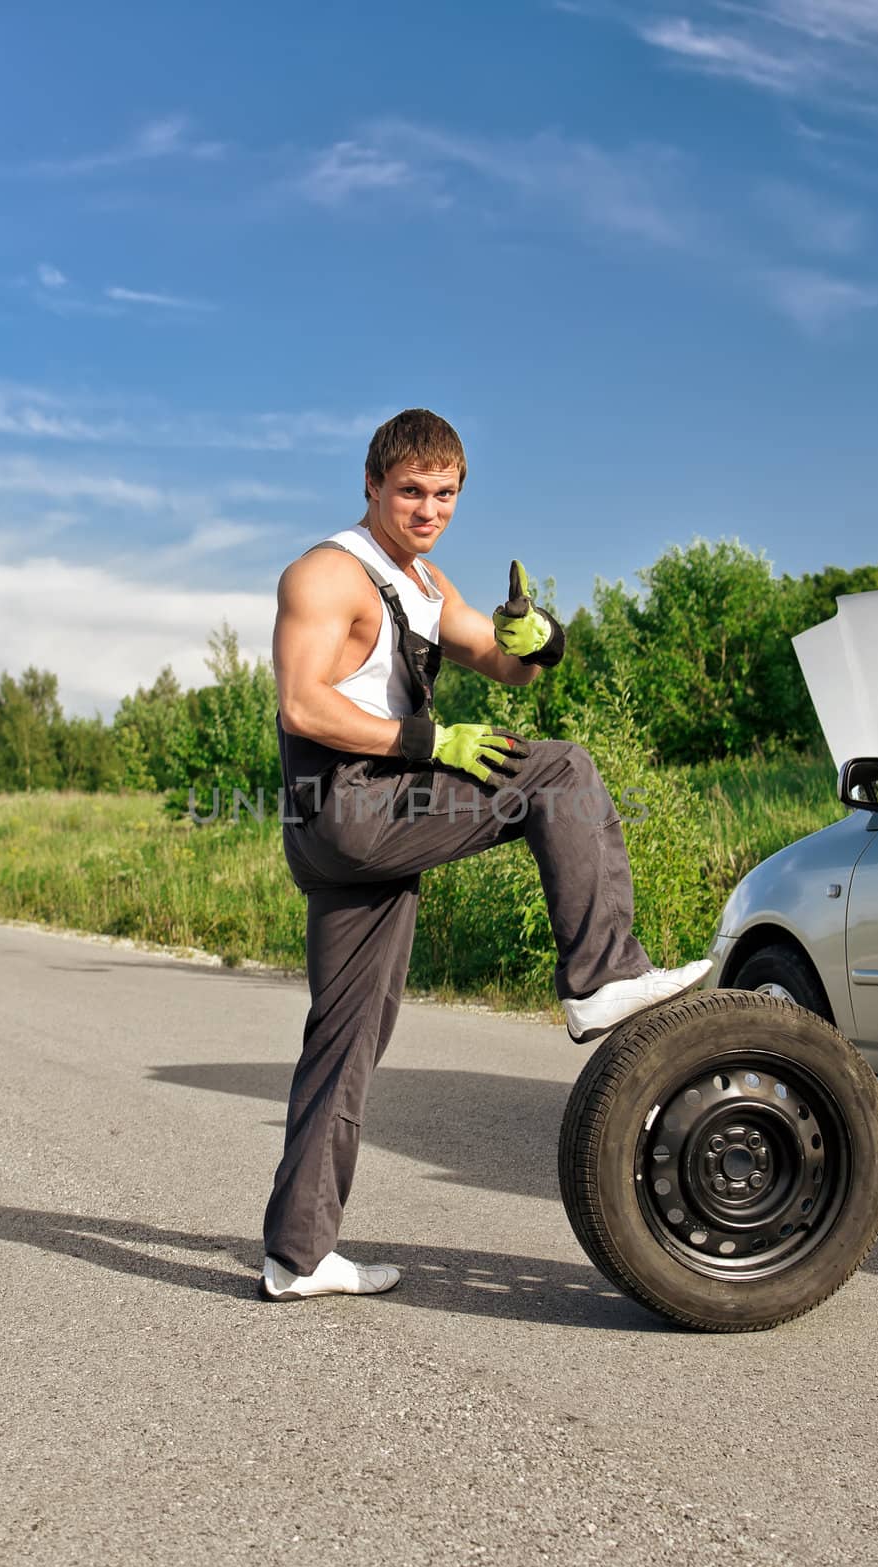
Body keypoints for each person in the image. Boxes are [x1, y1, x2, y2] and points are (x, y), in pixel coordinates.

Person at [260, 409, 710, 1301]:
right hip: (349, 805)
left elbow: (507, 670)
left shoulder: (422, 584)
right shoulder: (327, 573)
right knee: (558, 771)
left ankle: (297, 1255)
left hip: (360, 827)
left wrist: (540, 639)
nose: (429, 509)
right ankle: (600, 975)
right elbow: (302, 708)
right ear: (372, 486)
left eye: (445, 494)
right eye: (411, 492)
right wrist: (433, 742)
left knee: (346, 1040)